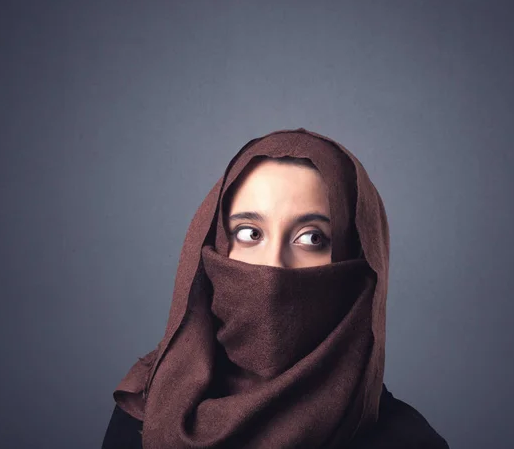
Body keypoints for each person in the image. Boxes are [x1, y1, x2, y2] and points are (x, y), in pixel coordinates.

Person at [102, 129, 449, 448]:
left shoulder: (408, 443)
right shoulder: (148, 414)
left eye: (311, 238)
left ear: (356, 260)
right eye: (250, 233)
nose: (272, 267)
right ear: (217, 244)